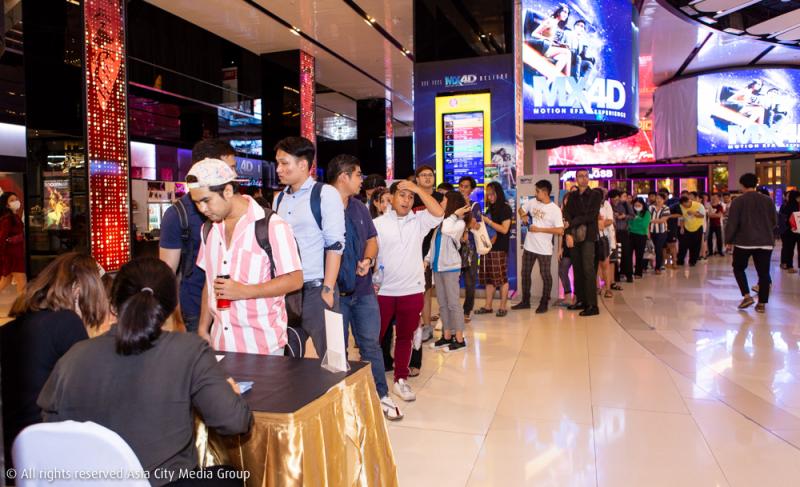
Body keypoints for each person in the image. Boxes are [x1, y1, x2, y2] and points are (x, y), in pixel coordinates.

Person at [37, 258, 252, 486]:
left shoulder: (73, 357)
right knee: (229, 476)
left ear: (112, 304)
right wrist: (229, 395)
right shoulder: (189, 350)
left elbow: (50, 431)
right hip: (166, 482)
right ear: (173, 305)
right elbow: (234, 422)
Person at [1, 253, 107, 476]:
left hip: (17, 455)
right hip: (51, 453)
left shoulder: (10, 329)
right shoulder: (66, 322)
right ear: (77, 289)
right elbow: (88, 395)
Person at [190, 158, 304, 355]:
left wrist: (244, 291)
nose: (202, 209)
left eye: (206, 200)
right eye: (196, 203)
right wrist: (203, 327)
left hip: (262, 348)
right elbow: (210, 283)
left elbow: (295, 279)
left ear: (227, 191)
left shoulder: (272, 226)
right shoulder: (208, 230)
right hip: (220, 343)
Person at [327, 155, 402, 421]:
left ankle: (381, 394)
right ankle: (340, 402)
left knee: (371, 345)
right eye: (358, 174)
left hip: (363, 291)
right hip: (334, 295)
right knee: (337, 351)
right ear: (343, 177)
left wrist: (368, 260)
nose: (362, 180)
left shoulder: (359, 207)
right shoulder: (321, 208)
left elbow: (372, 239)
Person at [274, 136, 346, 358]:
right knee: (288, 360)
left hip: (317, 289)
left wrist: (328, 289)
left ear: (303, 164)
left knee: (333, 359)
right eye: (277, 163)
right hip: (288, 292)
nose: (278, 169)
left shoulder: (325, 194)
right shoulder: (279, 199)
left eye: (284, 163)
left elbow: (335, 244)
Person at [374, 180, 443, 402]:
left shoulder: (419, 221)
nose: (406, 200)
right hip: (383, 291)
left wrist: (418, 189)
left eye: (410, 196)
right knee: (374, 338)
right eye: (402, 195)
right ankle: (372, 381)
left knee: (405, 337)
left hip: (412, 290)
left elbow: (439, 212)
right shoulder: (377, 224)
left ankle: (400, 380)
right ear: (391, 198)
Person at [159, 139, 237, 332]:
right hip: (194, 309)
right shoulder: (178, 215)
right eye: (228, 168)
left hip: (236, 306)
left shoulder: (237, 208)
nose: (234, 175)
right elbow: (166, 274)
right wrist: (176, 320)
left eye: (233, 168)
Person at [725, 173, 777, 313]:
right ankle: (762, 304)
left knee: (738, 268)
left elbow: (732, 223)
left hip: (744, 242)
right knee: (764, 273)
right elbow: (774, 221)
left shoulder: (738, 201)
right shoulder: (768, 200)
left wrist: (729, 240)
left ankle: (747, 296)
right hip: (765, 242)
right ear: (756, 184)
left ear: (742, 185)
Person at [427, 191, 472, 352]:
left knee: (453, 304)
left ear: (452, 202)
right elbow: (434, 243)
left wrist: (454, 215)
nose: (441, 202)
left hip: (451, 267)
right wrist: (427, 259)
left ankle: (459, 339)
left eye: (444, 200)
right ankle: (446, 336)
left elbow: (447, 230)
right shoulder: (443, 222)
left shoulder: (458, 223)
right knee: (443, 304)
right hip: (438, 267)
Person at [411, 165, 445, 370]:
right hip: (416, 251)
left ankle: (430, 325)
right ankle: (421, 325)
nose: (427, 178)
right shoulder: (411, 197)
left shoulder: (440, 198)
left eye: (430, 175)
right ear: (417, 179)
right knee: (421, 289)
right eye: (423, 175)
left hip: (438, 248)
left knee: (430, 289)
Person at [514, 179, 563, 314]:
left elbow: (560, 230)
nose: (535, 193)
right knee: (525, 273)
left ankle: (544, 303)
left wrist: (540, 229)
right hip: (529, 246)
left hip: (544, 249)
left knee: (545, 275)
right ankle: (525, 301)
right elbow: (520, 209)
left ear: (545, 192)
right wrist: (523, 215)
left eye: (537, 191)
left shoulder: (555, 210)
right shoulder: (532, 202)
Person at [563, 169, 602, 316]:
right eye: (580, 176)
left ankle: (592, 305)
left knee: (588, 269)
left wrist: (572, 222)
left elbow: (591, 216)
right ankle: (580, 300)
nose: (584, 178)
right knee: (577, 269)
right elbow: (566, 214)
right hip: (574, 236)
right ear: (576, 179)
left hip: (589, 237)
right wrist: (568, 233)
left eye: (586, 176)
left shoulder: (595, 195)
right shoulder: (572, 196)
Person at [478, 182, 513, 315]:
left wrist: (488, 221)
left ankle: (503, 307)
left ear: (498, 193)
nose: (490, 197)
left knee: (501, 279)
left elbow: (504, 229)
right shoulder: (490, 208)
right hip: (487, 248)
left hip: (499, 248)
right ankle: (488, 306)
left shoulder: (505, 208)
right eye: (488, 194)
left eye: (492, 194)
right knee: (489, 279)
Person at [457, 175, 482, 322]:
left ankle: (467, 310)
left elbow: (474, 224)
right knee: (452, 281)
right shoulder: (453, 204)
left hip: (470, 247)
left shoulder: (475, 205)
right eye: (461, 186)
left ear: (471, 189)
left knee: (469, 281)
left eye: (466, 187)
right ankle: (451, 309)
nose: (463, 189)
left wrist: (467, 208)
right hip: (453, 247)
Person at [0, 192, 26, 297]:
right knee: (22, 281)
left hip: (16, 254)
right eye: (12, 200)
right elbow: (2, 238)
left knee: (6, 280)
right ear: (6, 205)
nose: (16, 202)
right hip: (12, 255)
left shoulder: (15, 217)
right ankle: (23, 305)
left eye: (16, 199)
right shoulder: (7, 219)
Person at [610, 189, 634, 283]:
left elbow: (632, 216)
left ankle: (629, 275)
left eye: (616, 199)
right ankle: (616, 276)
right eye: (613, 200)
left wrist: (624, 216)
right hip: (613, 233)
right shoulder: (608, 206)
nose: (615, 201)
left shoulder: (625, 204)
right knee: (614, 254)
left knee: (626, 253)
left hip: (624, 232)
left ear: (619, 197)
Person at [556, 191, 575, 307]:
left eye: (569, 199)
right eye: (566, 199)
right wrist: (560, 248)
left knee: (578, 272)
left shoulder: (578, 214)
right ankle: (567, 296)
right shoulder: (561, 213)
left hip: (577, 246)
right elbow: (560, 233)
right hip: (566, 248)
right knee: (562, 270)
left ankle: (577, 297)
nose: (567, 201)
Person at [597, 188, 616, 298]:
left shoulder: (606, 205)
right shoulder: (589, 205)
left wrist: (599, 222)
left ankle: (608, 289)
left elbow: (609, 221)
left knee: (605, 264)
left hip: (603, 238)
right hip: (591, 238)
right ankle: (597, 287)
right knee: (594, 265)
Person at [677, 195, 706, 267]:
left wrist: (694, 213)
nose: (684, 206)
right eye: (683, 205)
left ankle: (693, 261)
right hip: (686, 228)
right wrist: (682, 227)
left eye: (685, 205)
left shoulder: (699, 205)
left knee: (695, 246)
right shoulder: (681, 207)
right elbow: (681, 218)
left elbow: (702, 215)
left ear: (688, 201)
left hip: (697, 228)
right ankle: (680, 261)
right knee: (683, 245)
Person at [778, 190, 799, 273]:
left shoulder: (787, 206)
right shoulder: (792, 207)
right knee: (789, 249)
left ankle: (788, 265)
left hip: (788, 231)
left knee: (788, 248)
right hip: (791, 232)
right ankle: (789, 266)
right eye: (798, 197)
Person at [630, 198, 652, 278]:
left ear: (643, 205)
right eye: (635, 205)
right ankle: (629, 272)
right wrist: (637, 222)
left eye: (639, 205)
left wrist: (635, 223)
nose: (637, 207)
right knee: (628, 254)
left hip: (641, 236)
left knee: (639, 255)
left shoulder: (647, 213)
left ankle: (638, 273)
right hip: (631, 235)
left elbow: (644, 225)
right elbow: (629, 223)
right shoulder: (631, 212)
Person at [649, 193, 671, 275]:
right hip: (651, 231)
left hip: (662, 232)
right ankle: (648, 265)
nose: (658, 200)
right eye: (657, 198)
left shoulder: (666, 208)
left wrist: (650, 221)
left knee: (658, 248)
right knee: (650, 248)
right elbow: (647, 218)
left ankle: (658, 267)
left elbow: (663, 220)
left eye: (660, 199)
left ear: (664, 200)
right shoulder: (651, 207)